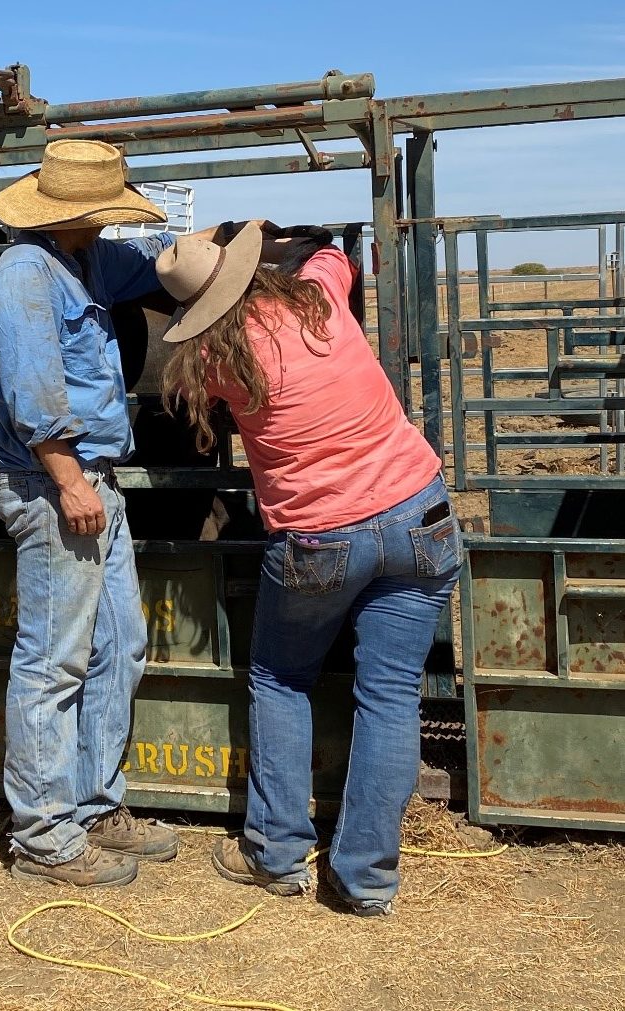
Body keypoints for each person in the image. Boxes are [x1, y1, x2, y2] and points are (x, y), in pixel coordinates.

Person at [156, 223, 462, 915]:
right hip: (421, 512)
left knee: (278, 676)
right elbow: (332, 254)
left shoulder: (210, 360)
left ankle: (276, 851)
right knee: (388, 694)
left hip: (320, 538)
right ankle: (365, 881)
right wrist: (288, 239)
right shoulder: (316, 297)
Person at [0, 138, 234, 887]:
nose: (105, 224)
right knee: (52, 660)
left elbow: (154, 261)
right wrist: (68, 481)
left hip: (96, 482)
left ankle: (94, 804)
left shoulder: (88, 257)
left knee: (118, 644)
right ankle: (42, 834)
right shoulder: (24, 274)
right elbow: (33, 393)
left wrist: (213, 245)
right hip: (54, 484)